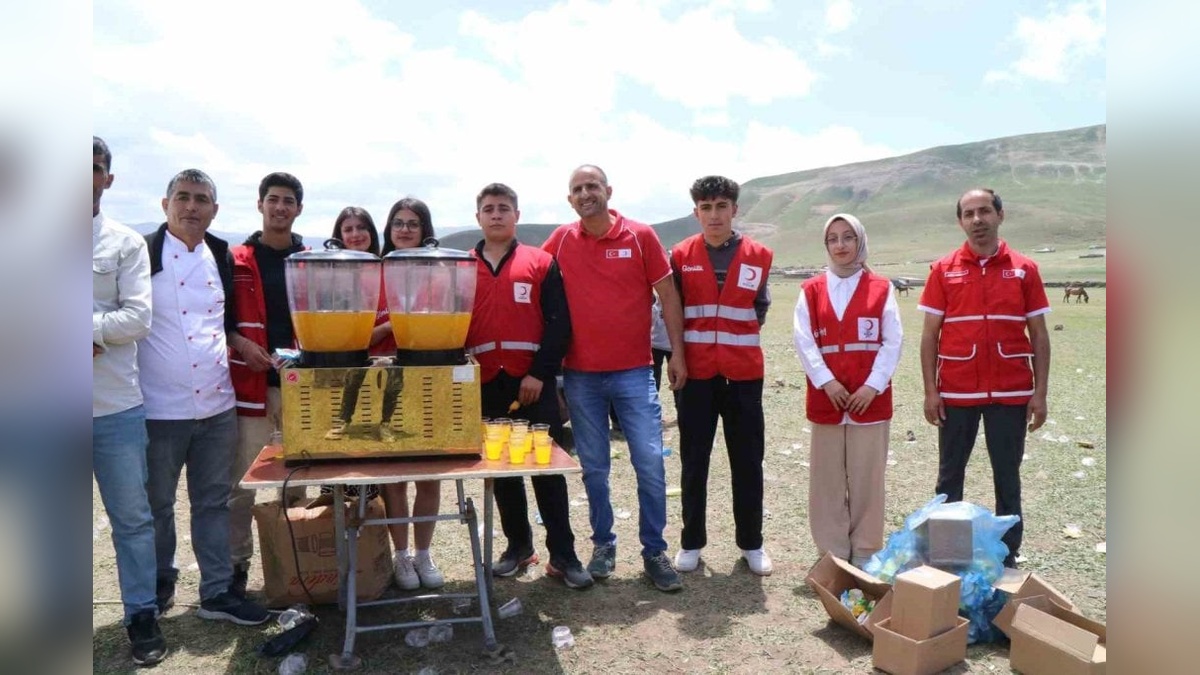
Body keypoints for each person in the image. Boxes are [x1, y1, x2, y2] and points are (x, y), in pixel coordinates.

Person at [542, 164, 687, 592]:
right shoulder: (561, 240)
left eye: (592, 186)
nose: (585, 193)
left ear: (608, 190)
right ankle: (603, 545)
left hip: (634, 371)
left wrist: (677, 352)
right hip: (581, 376)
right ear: (570, 200)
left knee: (649, 462)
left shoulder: (640, 236)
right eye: (577, 189)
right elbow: (529, 275)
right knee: (594, 469)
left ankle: (654, 551)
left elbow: (669, 295)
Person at [139, 169, 270, 626]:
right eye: (183, 197)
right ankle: (157, 586)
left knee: (212, 501)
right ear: (165, 204)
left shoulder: (220, 254)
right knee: (156, 503)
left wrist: (242, 345)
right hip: (159, 406)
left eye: (201, 200)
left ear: (215, 210)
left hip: (217, 404)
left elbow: (224, 322)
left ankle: (216, 592)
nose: (191, 207)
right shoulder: (142, 254)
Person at [466, 183, 593, 589]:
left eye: (504, 208)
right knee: (501, 472)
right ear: (479, 217)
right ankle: (518, 546)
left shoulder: (541, 262)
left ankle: (564, 555)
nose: (497, 214)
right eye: (489, 209)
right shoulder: (461, 267)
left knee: (546, 470)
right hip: (486, 385)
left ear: (516, 215)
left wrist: (540, 373)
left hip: (532, 384)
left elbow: (560, 324)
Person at [918, 188, 1051, 568]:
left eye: (985, 211)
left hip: (1011, 391)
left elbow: (1040, 335)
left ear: (1000, 216)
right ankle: (945, 553)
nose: (977, 220)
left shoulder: (1025, 269)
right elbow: (929, 336)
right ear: (960, 221)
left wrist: (1039, 394)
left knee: (1007, 475)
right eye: (969, 214)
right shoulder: (943, 270)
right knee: (949, 477)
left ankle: (1008, 555)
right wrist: (931, 391)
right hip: (957, 390)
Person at [670, 175, 774, 576]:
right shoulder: (680, 255)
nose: (714, 215)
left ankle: (752, 543)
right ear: (696, 212)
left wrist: (733, 345)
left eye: (721, 206)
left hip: (744, 375)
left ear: (735, 209)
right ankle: (691, 542)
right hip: (695, 375)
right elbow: (674, 313)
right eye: (706, 207)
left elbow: (759, 309)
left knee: (748, 461)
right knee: (694, 461)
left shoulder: (759, 255)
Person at [92, 136, 166, 665]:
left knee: (133, 519)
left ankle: (141, 615)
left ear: (108, 179)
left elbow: (138, 319)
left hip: (113, 407)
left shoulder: (124, 244)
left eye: (93, 168)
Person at [793, 213, 902, 568]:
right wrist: (827, 381)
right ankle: (833, 552)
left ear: (860, 241)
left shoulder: (881, 289)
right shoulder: (811, 290)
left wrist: (873, 385)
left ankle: (867, 550)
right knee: (826, 479)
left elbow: (892, 341)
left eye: (847, 237)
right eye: (832, 239)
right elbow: (804, 340)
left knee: (868, 477)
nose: (840, 245)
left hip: (869, 400)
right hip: (828, 398)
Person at [226, 172, 308, 598]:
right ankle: (236, 567)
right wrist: (242, 343)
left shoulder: (310, 260)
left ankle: (302, 561)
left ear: (298, 209)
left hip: (299, 387)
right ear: (260, 204)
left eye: (288, 201)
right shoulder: (235, 259)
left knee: (298, 477)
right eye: (273, 199)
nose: (280, 207)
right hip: (251, 386)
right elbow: (219, 321)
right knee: (242, 480)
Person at [374, 197, 445, 590]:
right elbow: (361, 333)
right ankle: (401, 556)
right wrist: (392, 327)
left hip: (428, 380)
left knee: (430, 475)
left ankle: (423, 552)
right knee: (395, 476)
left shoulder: (439, 272)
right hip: (385, 381)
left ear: (424, 229)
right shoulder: (375, 272)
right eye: (397, 222)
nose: (404, 229)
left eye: (412, 223)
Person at [320, 207, 385, 500]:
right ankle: (336, 531)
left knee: (375, 462)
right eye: (348, 229)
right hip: (342, 377)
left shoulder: (386, 272)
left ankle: (371, 534)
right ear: (339, 236)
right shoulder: (332, 278)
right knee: (340, 454)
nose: (356, 234)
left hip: (382, 379)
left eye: (361, 227)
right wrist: (393, 324)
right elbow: (347, 337)